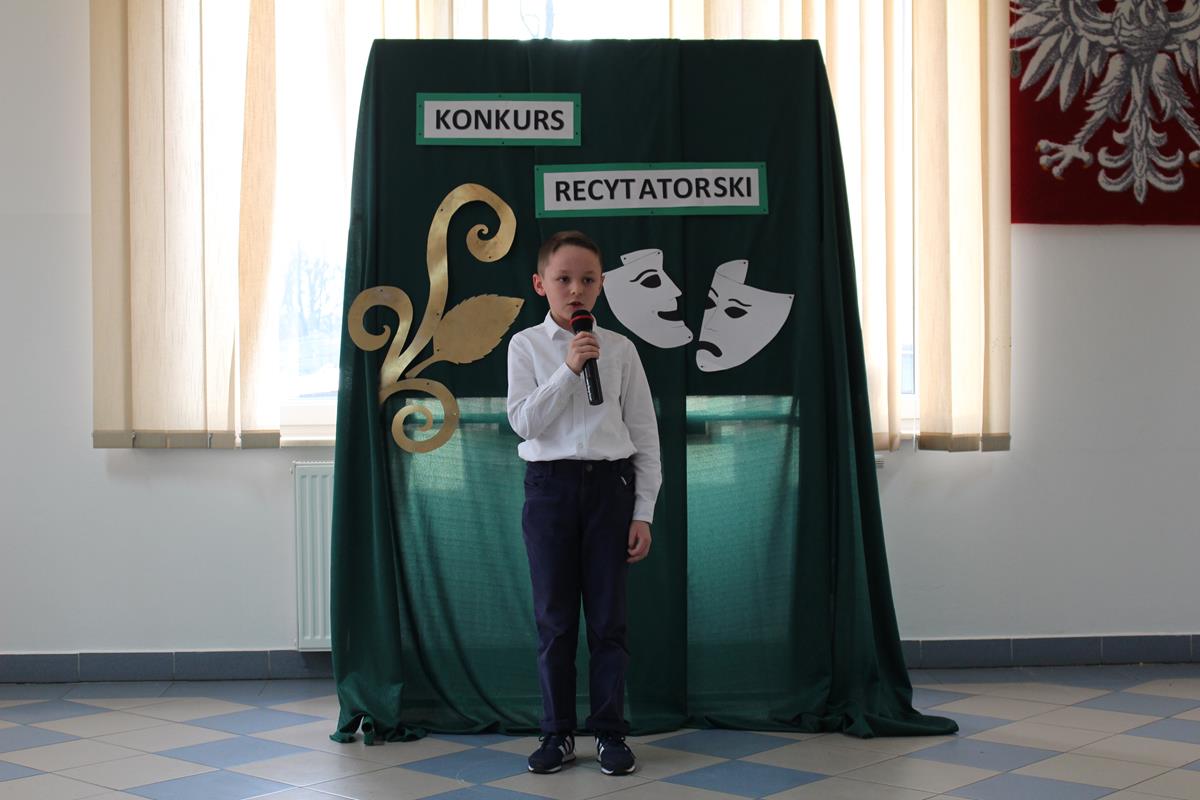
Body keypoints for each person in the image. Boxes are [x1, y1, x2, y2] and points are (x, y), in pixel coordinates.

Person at [506, 230, 662, 776]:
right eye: (564, 279)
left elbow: (644, 435)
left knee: (608, 620)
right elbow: (523, 422)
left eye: (588, 279)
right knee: (554, 620)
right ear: (540, 284)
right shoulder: (525, 346)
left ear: (602, 285)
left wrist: (642, 511)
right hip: (549, 490)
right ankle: (556, 733)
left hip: (609, 491)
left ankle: (609, 731)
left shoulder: (620, 349)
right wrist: (568, 369)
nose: (576, 290)